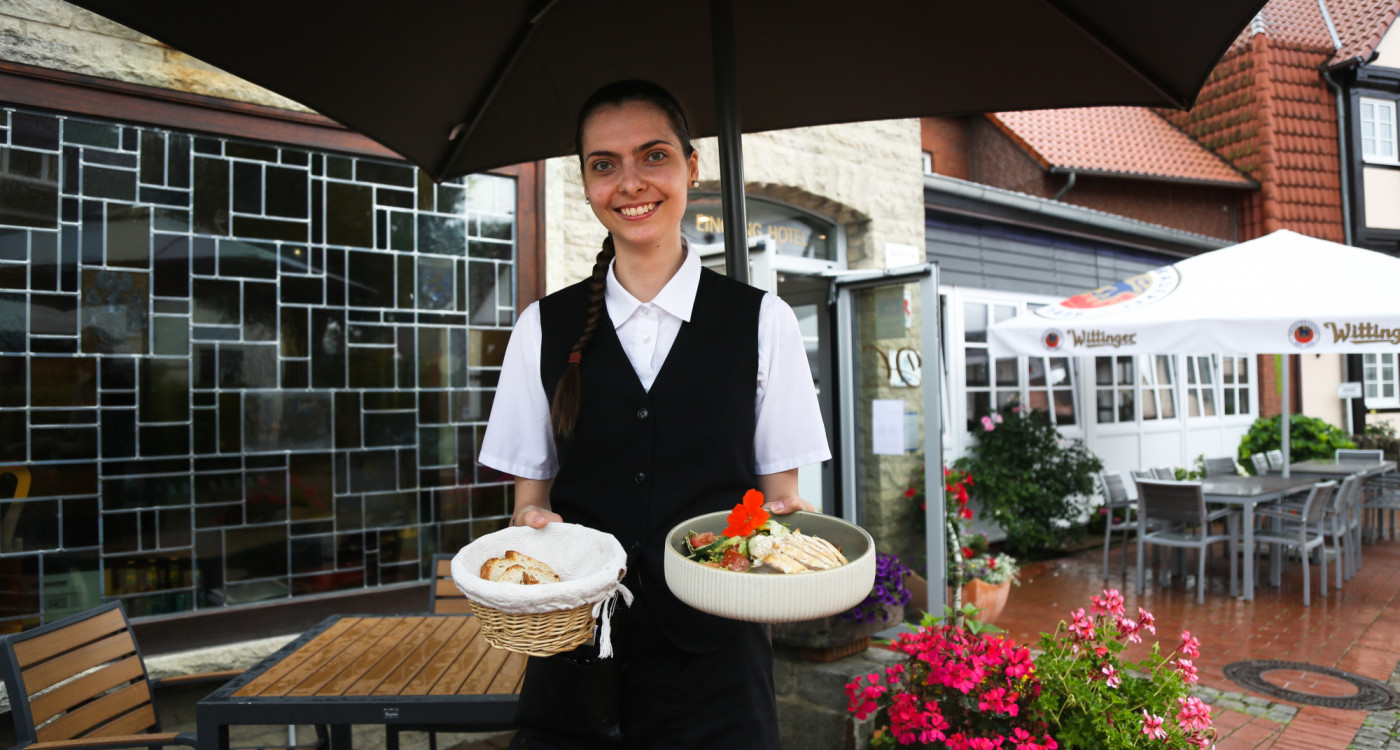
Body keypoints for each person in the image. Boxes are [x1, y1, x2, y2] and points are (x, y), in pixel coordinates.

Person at [478, 79, 829, 749]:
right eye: (604, 164)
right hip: (575, 661)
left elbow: (782, 503)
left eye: (655, 155)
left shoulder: (763, 322)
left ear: (693, 168)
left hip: (718, 669)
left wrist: (793, 554)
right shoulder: (542, 328)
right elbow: (530, 505)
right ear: (585, 183)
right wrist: (533, 524)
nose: (630, 182)